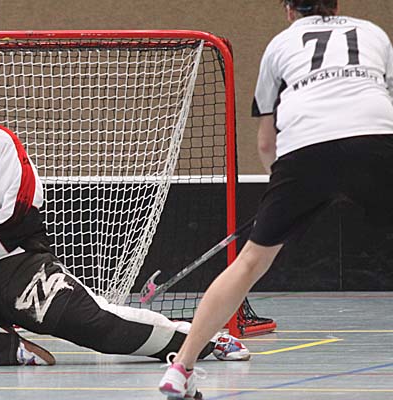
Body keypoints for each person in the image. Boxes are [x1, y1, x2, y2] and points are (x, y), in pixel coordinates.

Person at [0, 54, 250, 367]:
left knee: (99, 326)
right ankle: (3, 348)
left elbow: (18, 214)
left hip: (15, 270)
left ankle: (204, 339)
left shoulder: (3, 146)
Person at [159, 0, 393, 398]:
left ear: (288, 10)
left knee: (250, 262)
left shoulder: (280, 45)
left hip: (304, 151)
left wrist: (282, 190)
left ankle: (181, 368)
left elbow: (267, 142)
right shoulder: (374, 33)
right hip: (374, 140)